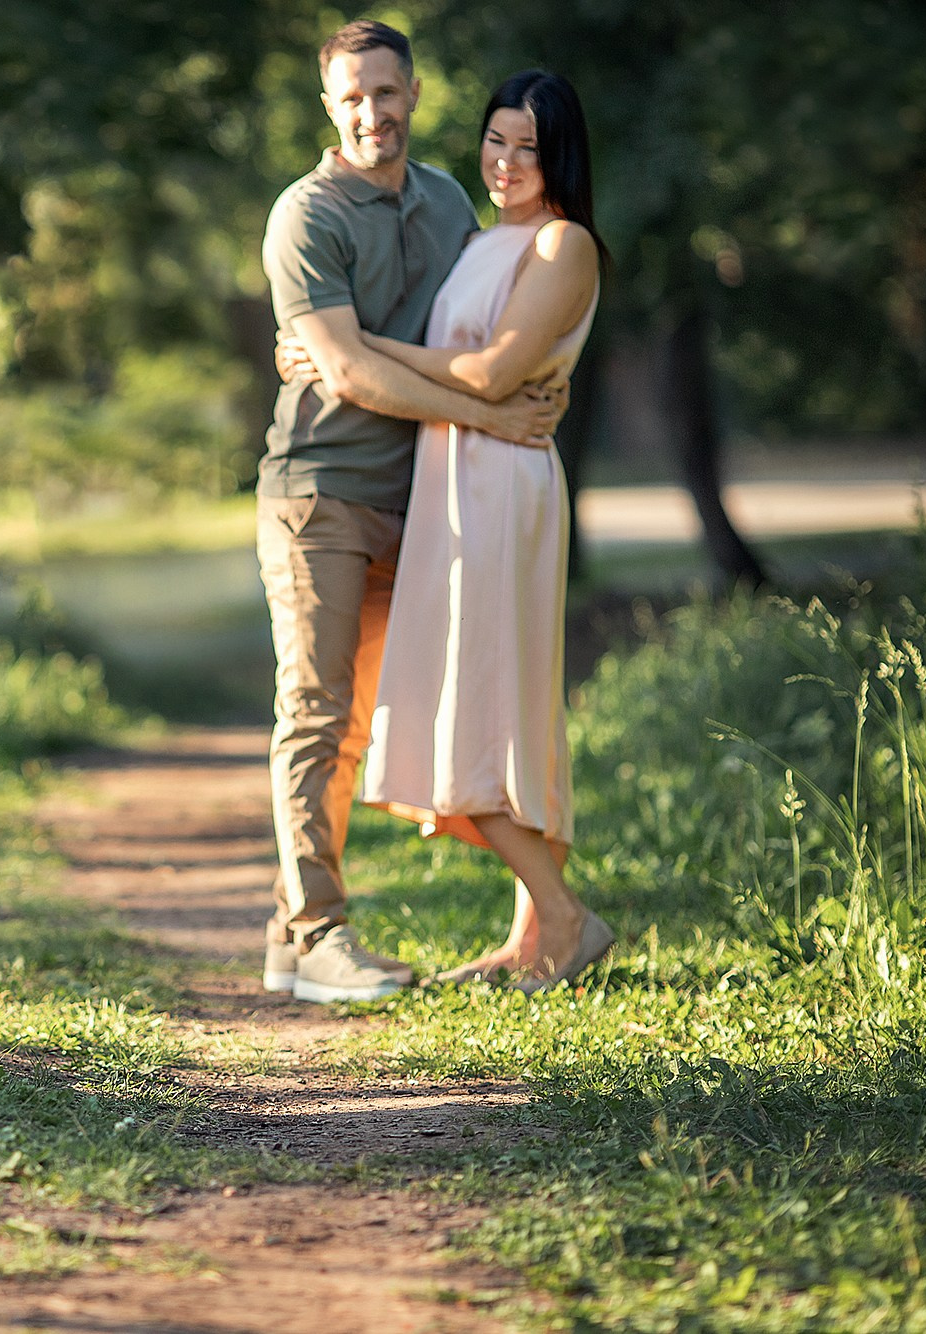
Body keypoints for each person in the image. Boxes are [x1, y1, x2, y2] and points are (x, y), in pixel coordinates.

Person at [286, 70, 615, 990]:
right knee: (494, 705)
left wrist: (343, 344)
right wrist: (324, 339)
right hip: (455, 477)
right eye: (496, 141)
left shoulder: (563, 245)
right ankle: (533, 940)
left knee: (488, 701)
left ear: (561, 158)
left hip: (503, 482)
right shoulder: (482, 236)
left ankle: (564, 918)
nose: (506, 162)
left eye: (529, 148)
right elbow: (451, 357)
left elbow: (489, 375)